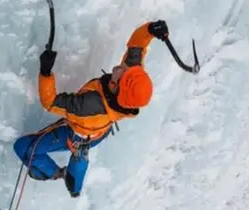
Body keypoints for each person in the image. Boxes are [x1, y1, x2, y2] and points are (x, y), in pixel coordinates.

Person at [13, 20, 169, 197]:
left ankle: (55, 173)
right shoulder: (131, 86)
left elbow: (50, 103)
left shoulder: (88, 106)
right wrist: (150, 29)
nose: (123, 67)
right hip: (99, 132)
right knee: (81, 155)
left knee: (23, 147)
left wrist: (46, 73)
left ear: (115, 86)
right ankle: (75, 183)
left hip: (78, 132)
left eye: (124, 73)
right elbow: (137, 45)